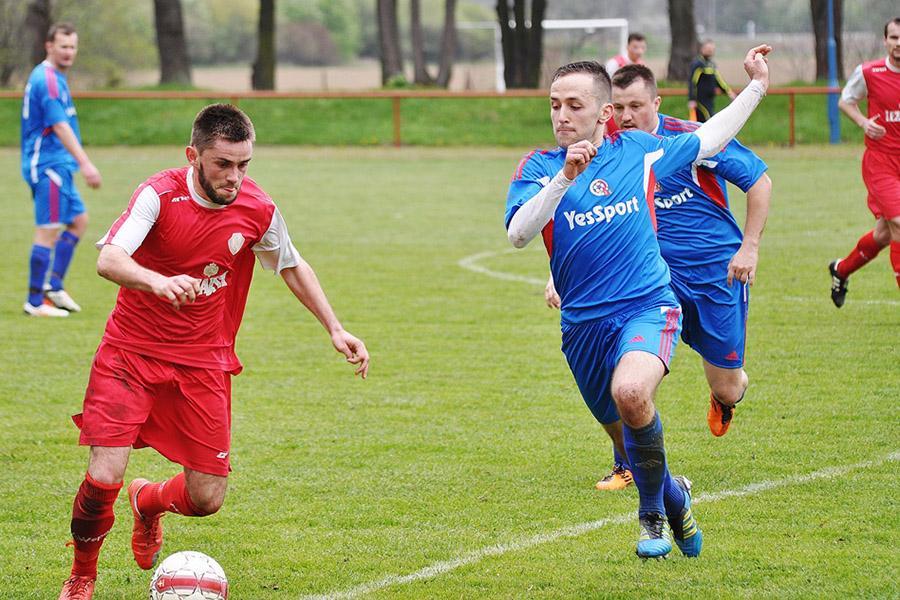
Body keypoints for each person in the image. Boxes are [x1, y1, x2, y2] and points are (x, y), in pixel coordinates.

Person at [57, 104, 370, 600]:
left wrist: (335, 327)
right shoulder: (158, 194)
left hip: (205, 362)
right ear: (193, 155)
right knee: (103, 471)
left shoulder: (258, 208)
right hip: (130, 353)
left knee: (206, 499)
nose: (235, 176)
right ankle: (82, 577)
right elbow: (110, 259)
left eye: (244, 164)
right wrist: (158, 282)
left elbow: (291, 264)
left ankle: (149, 500)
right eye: (223, 164)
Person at [505, 45, 771, 559]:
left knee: (632, 393)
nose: (562, 115)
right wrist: (565, 178)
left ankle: (650, 517)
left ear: (605, 113)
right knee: (630, 437)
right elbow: (519, 233)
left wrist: (757, 86)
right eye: (555, 104)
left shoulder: (642, 149)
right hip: (582, 325)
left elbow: (711, 136)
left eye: (575, 105)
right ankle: (674, 498)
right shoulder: (538, 167)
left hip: (648, 306)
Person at [21, 22, 102, 317]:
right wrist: (86, 163)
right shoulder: (48, 81)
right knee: (48, 230)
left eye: (72, 46)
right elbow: (59, 125)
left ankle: (53, 287)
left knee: (78, 221)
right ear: (49, 46)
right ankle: (34, 301)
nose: (68, 52)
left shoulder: (54, 77)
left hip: (58, 166)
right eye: (63, 46)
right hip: (48, 166)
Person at [828, 17, 900, 306]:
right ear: (885, 40)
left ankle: (841, 270)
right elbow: (846, 100)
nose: (899, 44)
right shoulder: (870, 72)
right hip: (881, 162)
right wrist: (862, 122)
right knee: (899, 224)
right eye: (894, 38)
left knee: (885, 233)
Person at [688, 40, 737, 122]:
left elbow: (718, 80)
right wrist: (691, 99)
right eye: (708, 48)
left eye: (712, 49)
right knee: (707, 120)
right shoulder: (698, 64)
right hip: (700, 99)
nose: (710, 51)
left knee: (706, 121)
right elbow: (692, 82)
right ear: (702, 49)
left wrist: (728, 92)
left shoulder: (711, 64)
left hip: (710, 99)